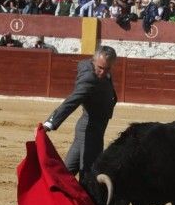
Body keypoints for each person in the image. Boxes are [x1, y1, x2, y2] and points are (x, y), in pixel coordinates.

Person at [42, 46, 118, 179]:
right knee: (89, 175)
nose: (102, 72)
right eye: (100, 68)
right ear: (94, 61)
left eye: (107, 69)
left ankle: (58, 197)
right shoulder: (89, 79)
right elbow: (72, 101)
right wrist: (50, 123)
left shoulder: (98, 68)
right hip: (91, 130)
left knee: (67, 172)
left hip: (88, 129)